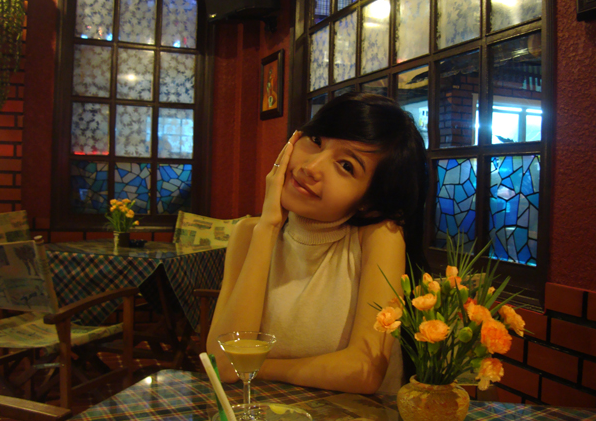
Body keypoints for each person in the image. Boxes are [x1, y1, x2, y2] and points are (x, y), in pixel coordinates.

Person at [206, 92, 428, 394]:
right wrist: (267, 227)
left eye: (346, 166)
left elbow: (364, 371)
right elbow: (223, 359)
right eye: (315, 140)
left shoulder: (379, 237)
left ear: (369, 200)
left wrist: (252, 367)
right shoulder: (249, 233)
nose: (311, 167)